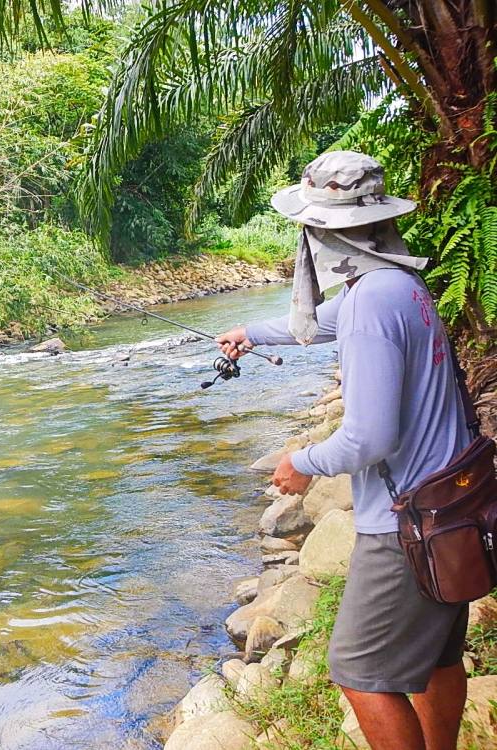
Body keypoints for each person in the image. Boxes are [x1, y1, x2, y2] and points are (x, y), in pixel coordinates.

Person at [216, 151, 471, 750]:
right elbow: (320, 322)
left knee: (359, 674)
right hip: (449, 505)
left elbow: (369, 437)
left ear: (322, 231)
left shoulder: (369, 303)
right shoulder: (398, 283)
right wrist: (253, 332)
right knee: (436, 657)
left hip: (407, 522)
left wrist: (300, 463)